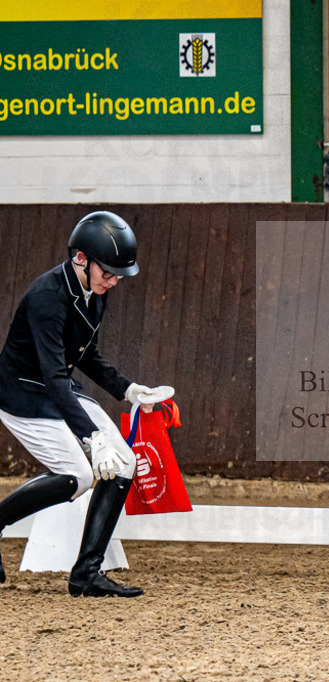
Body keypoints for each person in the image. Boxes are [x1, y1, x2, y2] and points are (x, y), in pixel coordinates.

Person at [0, 211, 171, 597]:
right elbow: (52, 376)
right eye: (107, 273)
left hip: (57, 385)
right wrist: (92, 437)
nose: (113, 281)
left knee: (123, 463)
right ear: (81, 258)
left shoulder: (94, 293)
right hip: (22, 394)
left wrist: (129, 391)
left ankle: (87, 575)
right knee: (79, 475)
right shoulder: (47, 297)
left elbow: (87, 356)